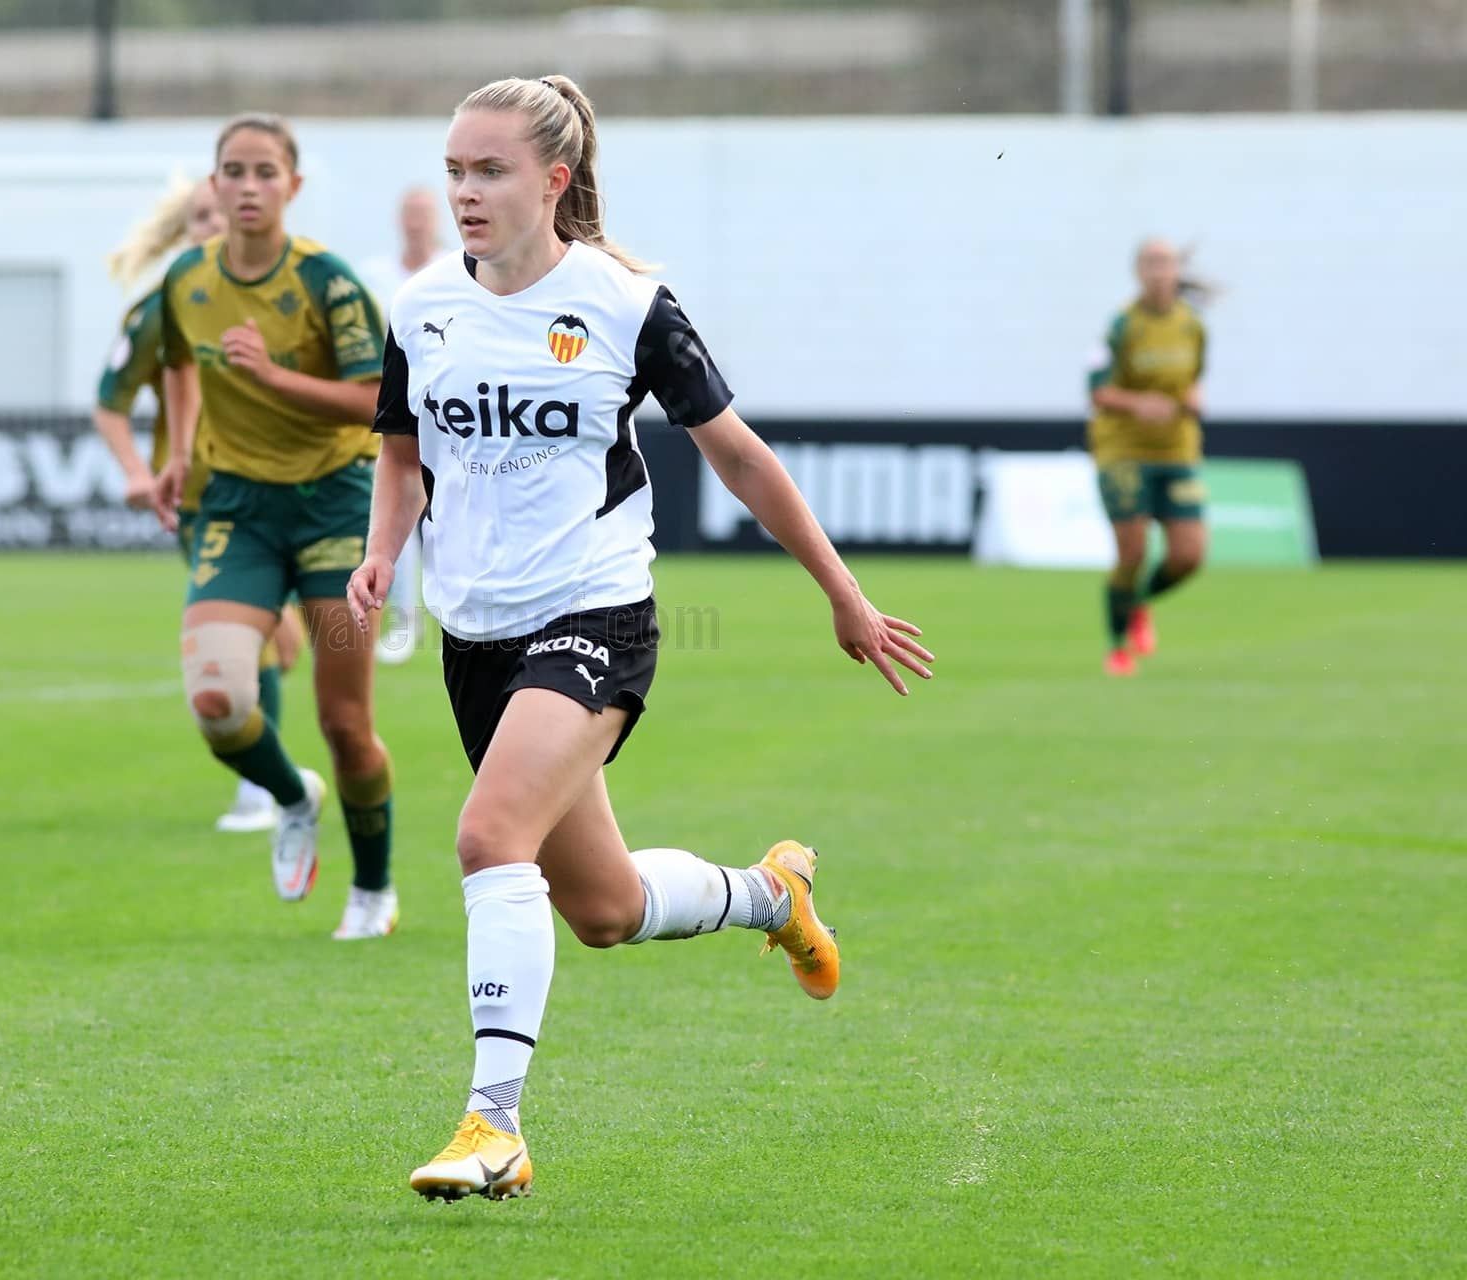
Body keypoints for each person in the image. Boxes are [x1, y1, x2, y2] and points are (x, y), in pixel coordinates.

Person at [349, 74, 935, 1201]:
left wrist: (843, 593)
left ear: (555, 179)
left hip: (595, 617)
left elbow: (742, 456)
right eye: (455, 171)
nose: (466, 192)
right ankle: (774, 894)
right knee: (605, 908)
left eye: (491, 171)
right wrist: (386, 548)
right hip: (477, 636)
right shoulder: (422, 305)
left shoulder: (625, 303)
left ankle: (493, 1124)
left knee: (488, 837)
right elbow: (401, 451)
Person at [154, 114, 401, 940]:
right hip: (239, 511)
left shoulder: (327, 282)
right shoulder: (185, 279)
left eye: (266, 172)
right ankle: (293, 796)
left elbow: (377, 400)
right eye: (234, 171)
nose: (249, 186)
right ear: (213, 186)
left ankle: (372, 890)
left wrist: (272, 376)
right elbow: (179, 362)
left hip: (335, 505)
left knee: (345, 725)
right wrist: (179, 451)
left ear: (292, 187)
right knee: (218, 701)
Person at [94, 174, 304, 834]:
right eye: (199, 219)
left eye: (218, 216)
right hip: (207, 500)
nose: (211, 228)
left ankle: (266, 774)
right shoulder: (162, 307)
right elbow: (111, 403)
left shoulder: (290, 293)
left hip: (287, 488)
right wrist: (135, 469)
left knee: (284, 644)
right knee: (256, 643)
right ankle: (259, 792)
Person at [1087, 238, 1210, 676]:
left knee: (1189, 556)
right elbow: (1098, 390)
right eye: (1151, 264)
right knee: (1133, 550)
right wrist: (1139, 404)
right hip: (1124, 452)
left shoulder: (1192, 325)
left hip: (1177, 449)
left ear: (1177, 270)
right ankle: (1117, 647)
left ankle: (1138, 603)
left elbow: (1194, 379)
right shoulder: (1121, 326)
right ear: (1138, 272)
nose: (1160, 272)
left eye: (1166, 263)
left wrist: (1195, 399)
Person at [359, 187, 449, 667]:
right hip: (391, 407)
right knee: (400, 506)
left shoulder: (457, 273)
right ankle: (404, 617)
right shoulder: (374, 277)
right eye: (409, 213)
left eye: (423, 213)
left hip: (449, 411)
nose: (416, 222)